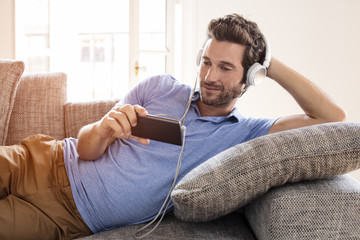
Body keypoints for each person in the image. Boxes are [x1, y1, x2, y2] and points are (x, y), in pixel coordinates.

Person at [0, 13, 346, 240]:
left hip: (67, 216)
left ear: (249, 77)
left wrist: (269, 63)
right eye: (207, 62)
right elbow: (88, 149)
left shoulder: (246, 134)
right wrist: (104, 128)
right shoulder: (159, 88)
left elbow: (332, 119)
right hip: (42, 159)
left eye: (226, 67)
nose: (210, 77)